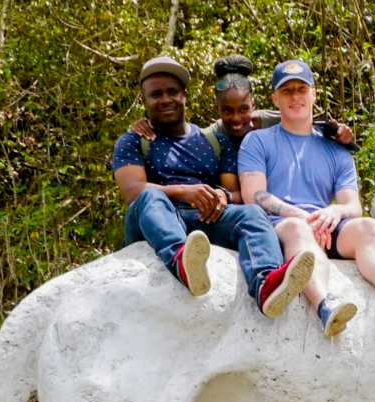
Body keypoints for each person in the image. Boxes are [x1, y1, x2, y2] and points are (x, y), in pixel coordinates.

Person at [236, 59, 375, 337]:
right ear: (274, 98)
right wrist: (306, 217)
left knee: (367, 226)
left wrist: (335, 212)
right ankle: (325, 306)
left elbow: (353, 205)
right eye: (287, 90)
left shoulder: (336, 149)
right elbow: (253, 195)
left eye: (301, 89)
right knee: (297, 227)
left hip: (326, 227)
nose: (295, 96)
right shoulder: (257, 141)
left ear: (314, 94)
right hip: (281, 227)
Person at [113, 56, 311, 315]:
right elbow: (133, 191)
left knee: (251, 212)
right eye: (156, 94)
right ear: (144, 101)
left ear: (184, 95)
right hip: (155, 219)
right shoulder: (133, 140)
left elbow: (237, 192)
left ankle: (266, 283)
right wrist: (184, 191)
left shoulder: (214, 141)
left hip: (201, 215)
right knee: (151, 196)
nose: (165, 99)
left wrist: (222, 195)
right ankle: (182, 261)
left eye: (172, 92)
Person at [131, 55, 355, 189]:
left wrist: (340, 133)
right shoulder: (211, 137)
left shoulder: (274, 121)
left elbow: (308, 123)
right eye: (227, 111)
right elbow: (182, 138)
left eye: (244, 110)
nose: (236, 119)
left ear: (254, 105)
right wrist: (148, 126)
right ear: (217, 109)